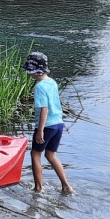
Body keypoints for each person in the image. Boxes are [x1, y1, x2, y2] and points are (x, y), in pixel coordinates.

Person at [23, 51, 74, 194]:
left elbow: (44, 109)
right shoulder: (52, 82)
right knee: (50, 155)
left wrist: (40, 130)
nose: (29, 74)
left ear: (36, 71)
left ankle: (38, 188)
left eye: (30, 71)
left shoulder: (39, 87)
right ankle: (66, 186)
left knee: (35, 154)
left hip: (47, 125)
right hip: (58, 124)